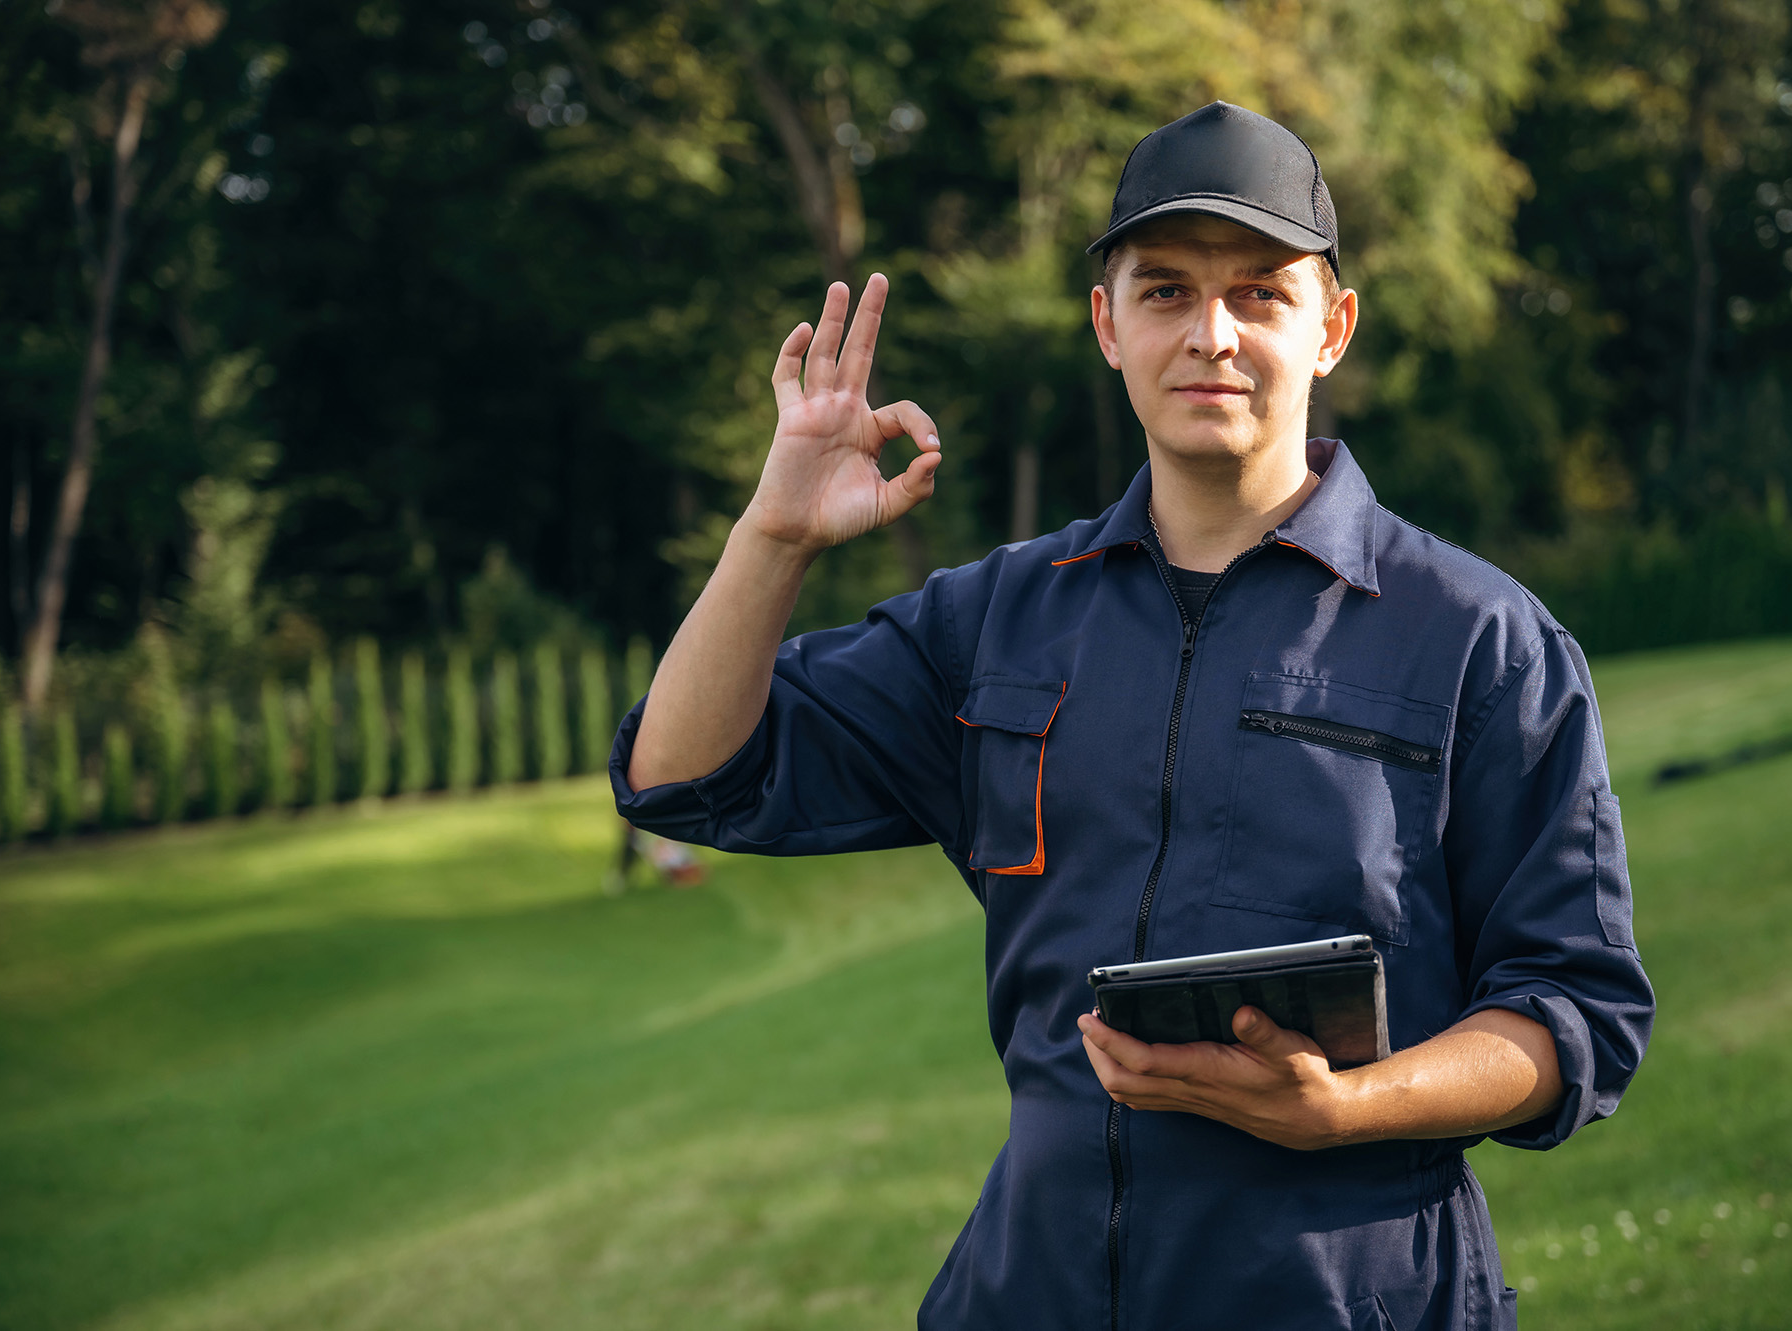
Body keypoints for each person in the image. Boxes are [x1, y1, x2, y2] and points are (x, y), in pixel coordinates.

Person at [611, 102, 1654, 1330]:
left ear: (1332, 326)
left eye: (1259, 293)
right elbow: (682, 774)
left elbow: (1574, 1015)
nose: (1209, 334)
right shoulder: (996, 617)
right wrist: (773, 534)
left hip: (1344, 1298)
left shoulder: (1479, 638)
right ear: (1106, 325)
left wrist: (1345, 1105)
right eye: (1163, 291)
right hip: (1031, 1292)